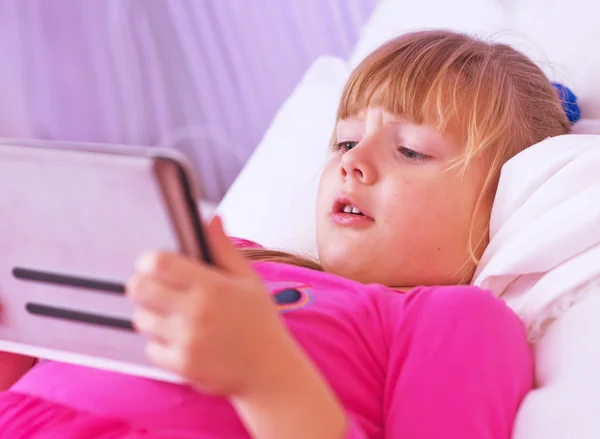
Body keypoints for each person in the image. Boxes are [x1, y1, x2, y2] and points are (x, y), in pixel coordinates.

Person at [0, 30, 570, 438]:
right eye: (345, 143)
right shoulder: (233, 257)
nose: (353, 163)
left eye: (411, 150)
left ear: (501, 200)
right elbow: (42, 374)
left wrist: (269, 377)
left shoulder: (452, 320)